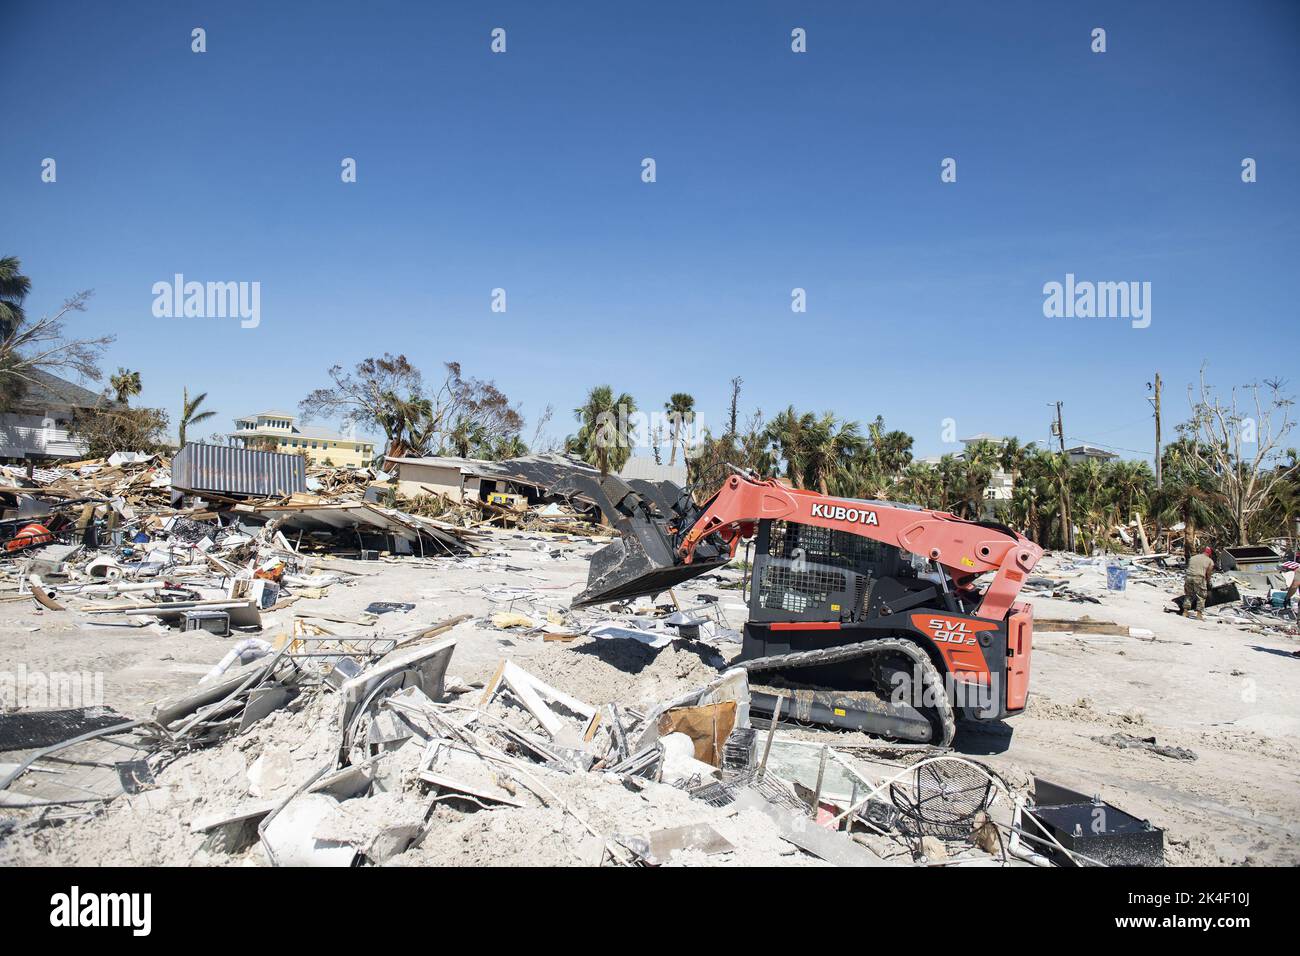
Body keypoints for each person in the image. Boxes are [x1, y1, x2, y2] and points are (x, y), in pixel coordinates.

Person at [1184, 546, 1214, 620]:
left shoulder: (1193, 558)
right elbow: (1208, 573)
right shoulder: (1209, 561)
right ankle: (1199, 615)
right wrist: (1208, 582)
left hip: (1188, 577)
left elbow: (1190, 567)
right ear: (1209, 553)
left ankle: (1185, 612)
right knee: (1201, 596)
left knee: (1188, 595)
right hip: (1199, 578)